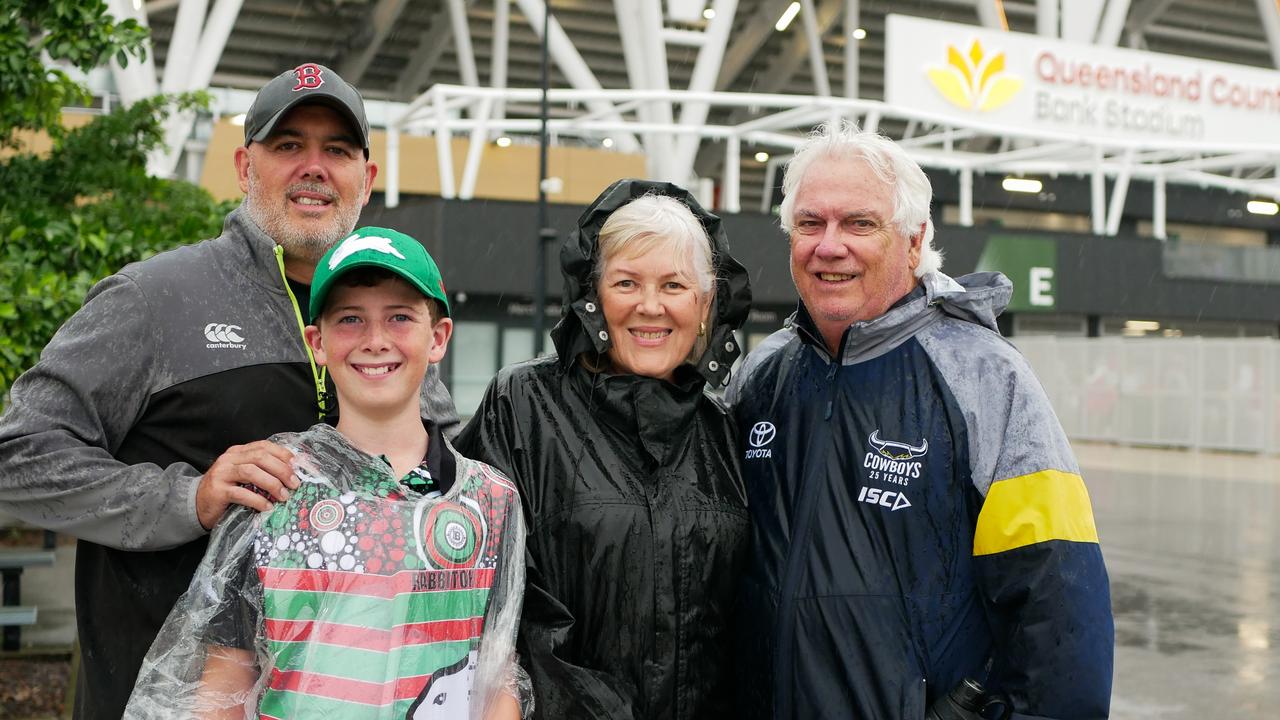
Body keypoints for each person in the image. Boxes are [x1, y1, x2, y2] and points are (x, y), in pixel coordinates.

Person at [0, 63, 456, 719]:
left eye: (337, 149)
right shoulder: (153, 299)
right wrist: (189, 496)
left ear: (367, 178)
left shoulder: (395, 327)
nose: (314, 167)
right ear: (245, 168)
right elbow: (17, 459)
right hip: (160, 701)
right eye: (289, 145)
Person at [726, 122, 1114, 720]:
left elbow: (1060, 616)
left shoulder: (986, 378)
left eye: (859, 223)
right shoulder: (762, 374)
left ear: (913, 242)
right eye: (810, 223)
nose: (829, 245)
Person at [124, 227, 527, 720]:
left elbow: (497, 673)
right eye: (350, 319)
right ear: (317, 342)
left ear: (438, 336)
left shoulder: (491, 500)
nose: (376, 341)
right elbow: (225, 683)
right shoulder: (272, 488)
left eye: (399, 317)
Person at [455, 179, 752, 719]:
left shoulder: (725, 431)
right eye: (626, 282)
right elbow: (483, 597)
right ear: (593, 294)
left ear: (707, 304)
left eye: (674, 286)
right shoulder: (523, 405)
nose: (650, 306)